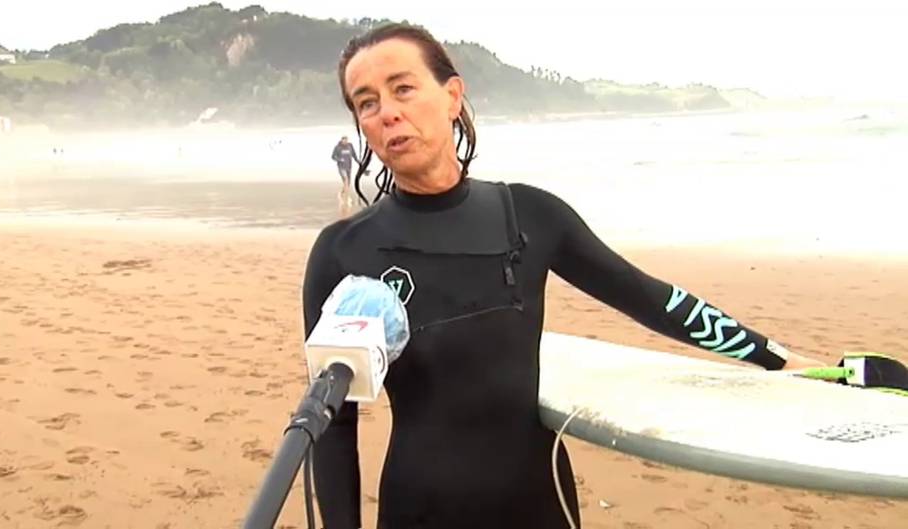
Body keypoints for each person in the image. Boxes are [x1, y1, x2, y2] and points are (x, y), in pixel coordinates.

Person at [301, 23, 825, 529]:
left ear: (452, 96)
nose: (388, 113)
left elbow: (649, 298)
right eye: (367, 102)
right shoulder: (344, 252)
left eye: (403, 89)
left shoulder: (529, 216)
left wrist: (776, 358)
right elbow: (333, 423)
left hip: (538, 506)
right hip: (419, 511)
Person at [331, 135, 360, 211]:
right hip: (341, 167)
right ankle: (348, 199)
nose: (345, 142)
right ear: (341, 141)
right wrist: (339, 159)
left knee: (347, 183)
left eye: (346, 140)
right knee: (346, 181)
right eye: (344, 140)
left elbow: (354, 155)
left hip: (349, 167)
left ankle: (341, 193)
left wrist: (358, 162)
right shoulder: (337, 147)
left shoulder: (350, 146)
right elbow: (333, 156)